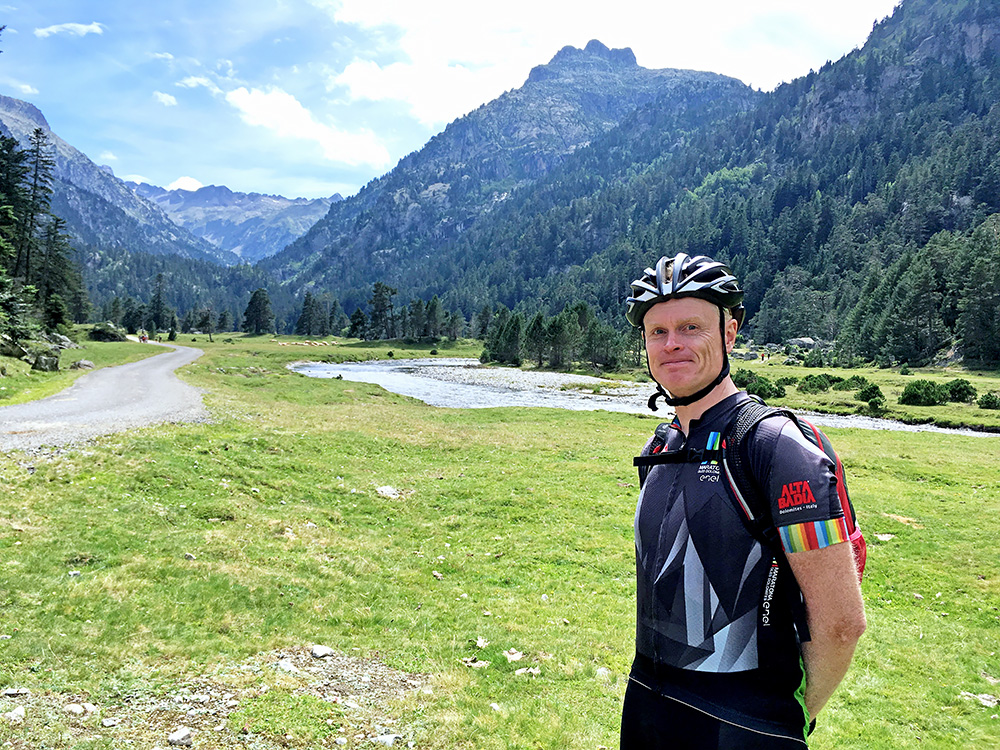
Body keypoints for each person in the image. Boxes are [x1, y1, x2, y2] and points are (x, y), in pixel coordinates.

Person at [620, 253, 866, 749]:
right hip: (647, 701)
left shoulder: (775, 446)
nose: (672, 344)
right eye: (657, 332)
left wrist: (788, 716)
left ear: (729, 333)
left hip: (745, 724)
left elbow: (841, 624)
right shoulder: (663, 445)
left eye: (691, 327)